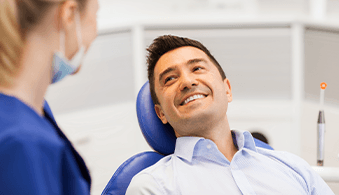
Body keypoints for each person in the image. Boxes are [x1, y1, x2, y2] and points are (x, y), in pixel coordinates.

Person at [126, 35, 334, 194]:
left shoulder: (292, 167)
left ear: (227, 89)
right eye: (170, 79)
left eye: (197, 68)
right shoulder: (152, 186)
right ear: (160, 113)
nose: (188, 82)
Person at [0, 0, 98, 194]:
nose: (95, 30)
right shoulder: (23, 142)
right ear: (69, 14)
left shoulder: (32, 114)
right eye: (96, 14)